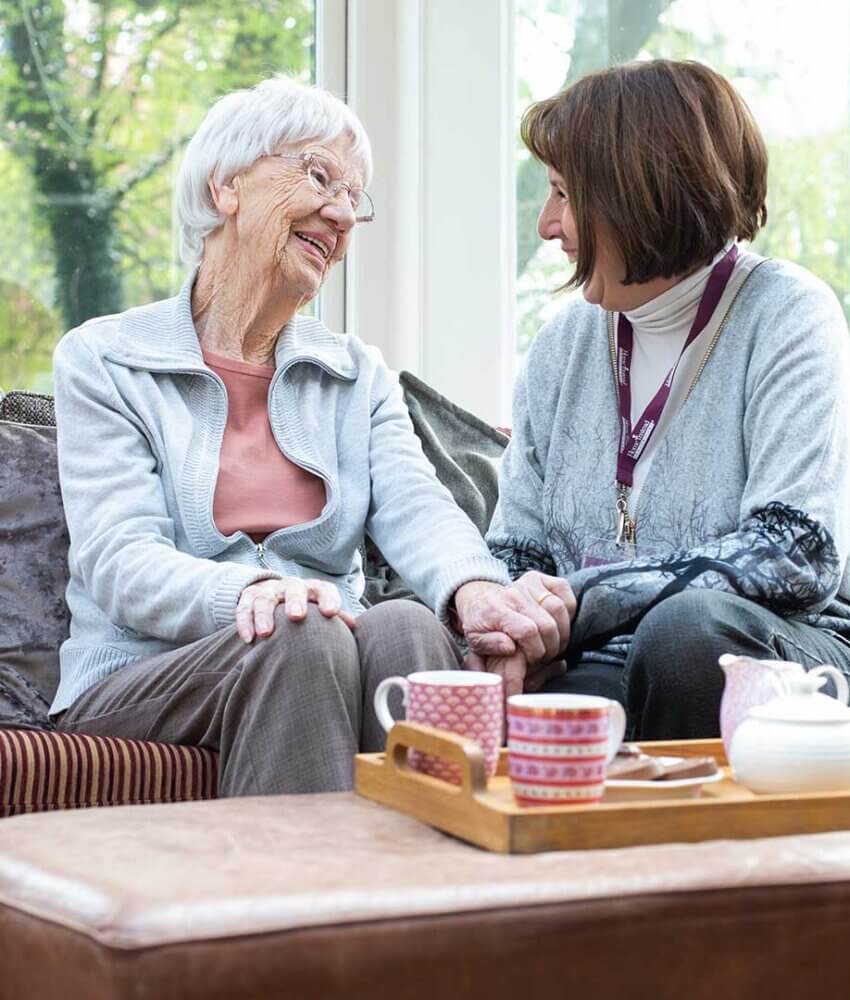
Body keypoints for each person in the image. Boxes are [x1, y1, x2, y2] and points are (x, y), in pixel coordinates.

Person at [50, 78, 572, 795]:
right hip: (146, 673)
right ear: (226, 188)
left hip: (319, 644)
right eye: (318, 176)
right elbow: (119, 558)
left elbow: (417, 507)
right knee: (298, 630)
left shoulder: (357, 375)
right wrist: (251, 595)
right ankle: (306, 899)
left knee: (408, 630)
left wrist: (478, 592)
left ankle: (430, 900)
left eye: (354, 199)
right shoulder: (106, 360)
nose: (341, 213)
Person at [483, 59, 850, 750]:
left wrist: (582, 601)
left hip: (810, 668)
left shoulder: (788, 312)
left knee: (689, 637)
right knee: (512, 692)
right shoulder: (562, 344)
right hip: (611, 661)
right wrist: (509, 622)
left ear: (638, 193)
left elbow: (793, 552)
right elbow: (514, 548)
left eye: (564, 193)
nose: (547, 224)